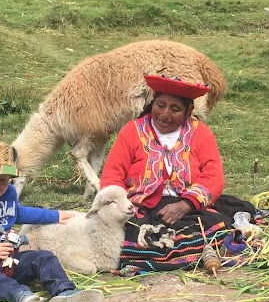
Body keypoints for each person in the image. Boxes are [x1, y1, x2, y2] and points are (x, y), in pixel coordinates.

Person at [99, 74, 257, 272]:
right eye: (160, 105)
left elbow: (213, 175)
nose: (165, 115)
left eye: (175, 109)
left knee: (212, 229)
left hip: (188, 207)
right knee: (133, 238)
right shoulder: (132, 132)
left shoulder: (200, 133)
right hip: (140, 208)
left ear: (188, 111)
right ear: (152, 102)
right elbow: (113, 174)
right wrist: (120, 207)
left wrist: (185, 205)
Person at [0, 141, 105, 302]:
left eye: (1, 180)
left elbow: (19, 213)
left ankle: (64, 293)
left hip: (8, 260)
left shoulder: (7, 193)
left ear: (10, 178)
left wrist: (54, 216)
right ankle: (18, 295)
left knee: (44, 257)